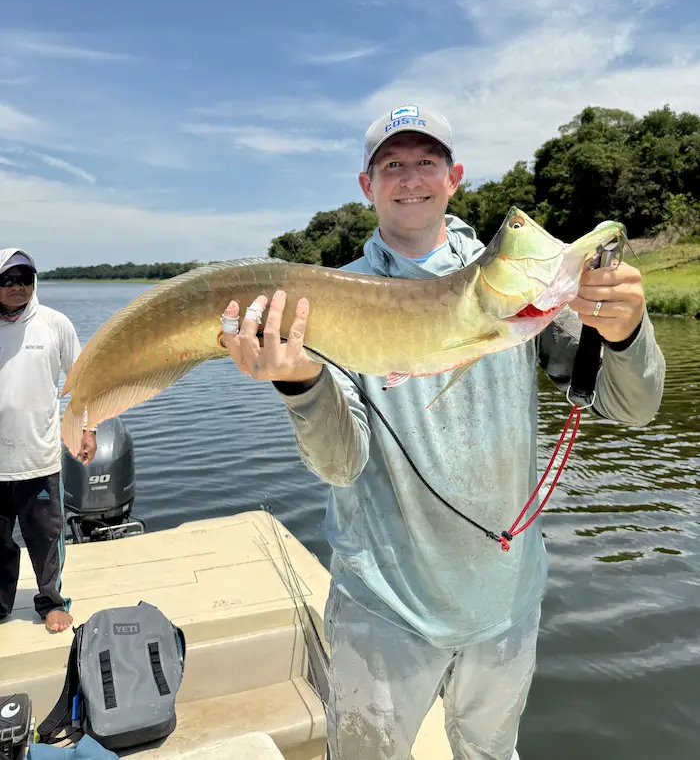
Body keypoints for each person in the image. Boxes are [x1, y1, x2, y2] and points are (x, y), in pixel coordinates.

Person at [220, 107, 666, 760]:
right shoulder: (335, 297)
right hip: (384, 607)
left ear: (454, 177)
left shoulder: (519, 281)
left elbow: (634, 406)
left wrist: (625, 332)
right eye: (391, 164)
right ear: (366, 183)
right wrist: (299, 384)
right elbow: (341, 461)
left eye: (425, 160)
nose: (409, 177)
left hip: (507, 604)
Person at [0, 248, 97, 633]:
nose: (18, 286)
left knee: (46, 536)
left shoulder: (54, 324)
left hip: (38, 457)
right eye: (8, 279)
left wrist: (87, 428)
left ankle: (52, 601)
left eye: (25, 277)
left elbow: (82, 382)